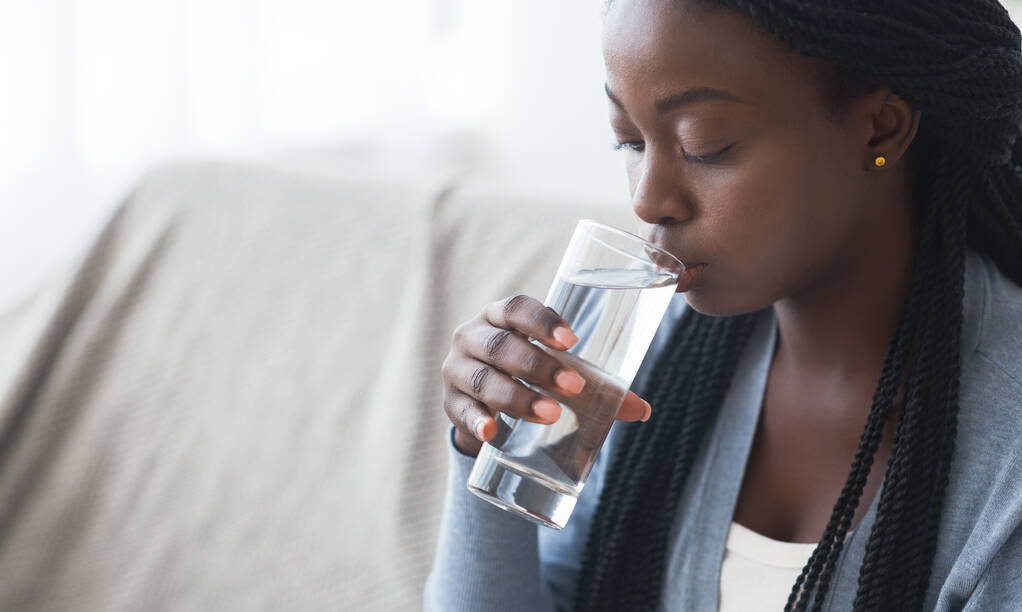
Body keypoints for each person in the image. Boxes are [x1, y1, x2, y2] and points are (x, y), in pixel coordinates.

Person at [424, 0, 1022, 609]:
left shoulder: (1006, 460)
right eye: (628, 141)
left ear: (881, 128)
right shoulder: (651, 356)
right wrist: (484, 448)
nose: (648, 199)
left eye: (702, 145)